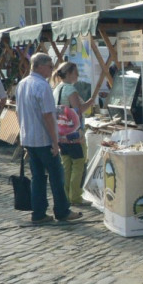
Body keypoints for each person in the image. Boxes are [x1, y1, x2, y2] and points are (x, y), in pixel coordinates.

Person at [16, 53, 82, 225]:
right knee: (56, 175)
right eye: (50, 66)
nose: (52, 69)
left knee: (38, 177)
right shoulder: (42, 85)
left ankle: (38, 213)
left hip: (29, 137)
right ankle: (62, 210)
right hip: (42, 138)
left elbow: (19, 111)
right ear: (40, 66)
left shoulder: (23, 83)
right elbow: (47, 116)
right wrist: (55, 141)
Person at [52, 61, 98, 207]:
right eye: (76, 72)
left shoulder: (57, 88)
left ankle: (67, 194)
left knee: (66, 164)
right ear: (70, 73)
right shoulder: (70, 89)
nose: (78, 75)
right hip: (73, 133)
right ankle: (76, 196)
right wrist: (90, 103)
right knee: (78, 163)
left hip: (60, 132)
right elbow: (77, 111)